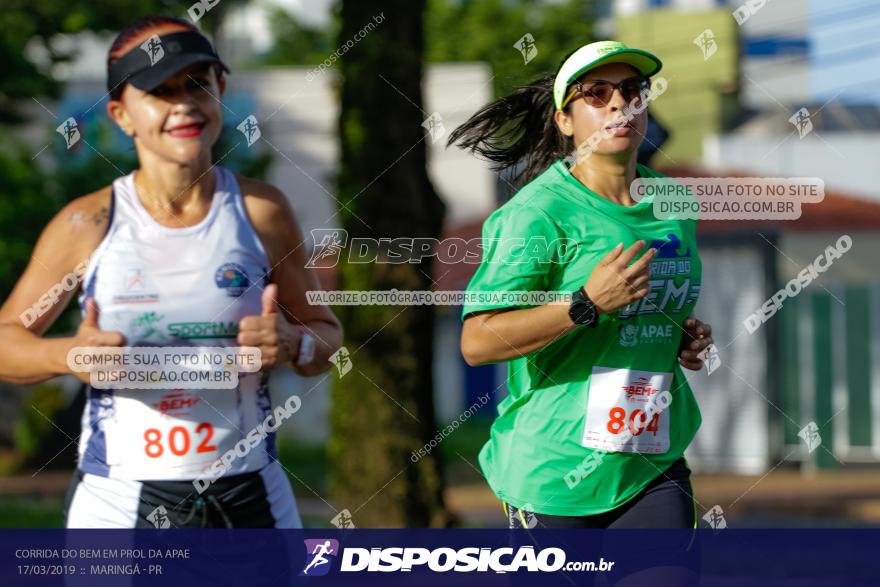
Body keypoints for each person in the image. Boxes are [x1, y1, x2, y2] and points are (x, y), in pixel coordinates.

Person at [0, 15, 342, 528]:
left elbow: (328, 335)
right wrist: (68, 354)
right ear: (121, 115)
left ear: (220, 89)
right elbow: (7, 343)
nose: (183, 103)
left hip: (251, 501)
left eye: (197, 84)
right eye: (159, 92)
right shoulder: (86, 223)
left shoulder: (262, 211)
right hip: (119, 505)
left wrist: (295, 342)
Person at [449, 40, 714, 529]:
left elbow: (636, 310)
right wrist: (586, 303)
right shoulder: (537, 213)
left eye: (633, 89)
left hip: (648, 464)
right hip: (554, 471)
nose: (620, 103)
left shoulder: (674, 201)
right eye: (597, 92)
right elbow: (478, 340)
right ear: (564, 119)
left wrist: (676, 333)